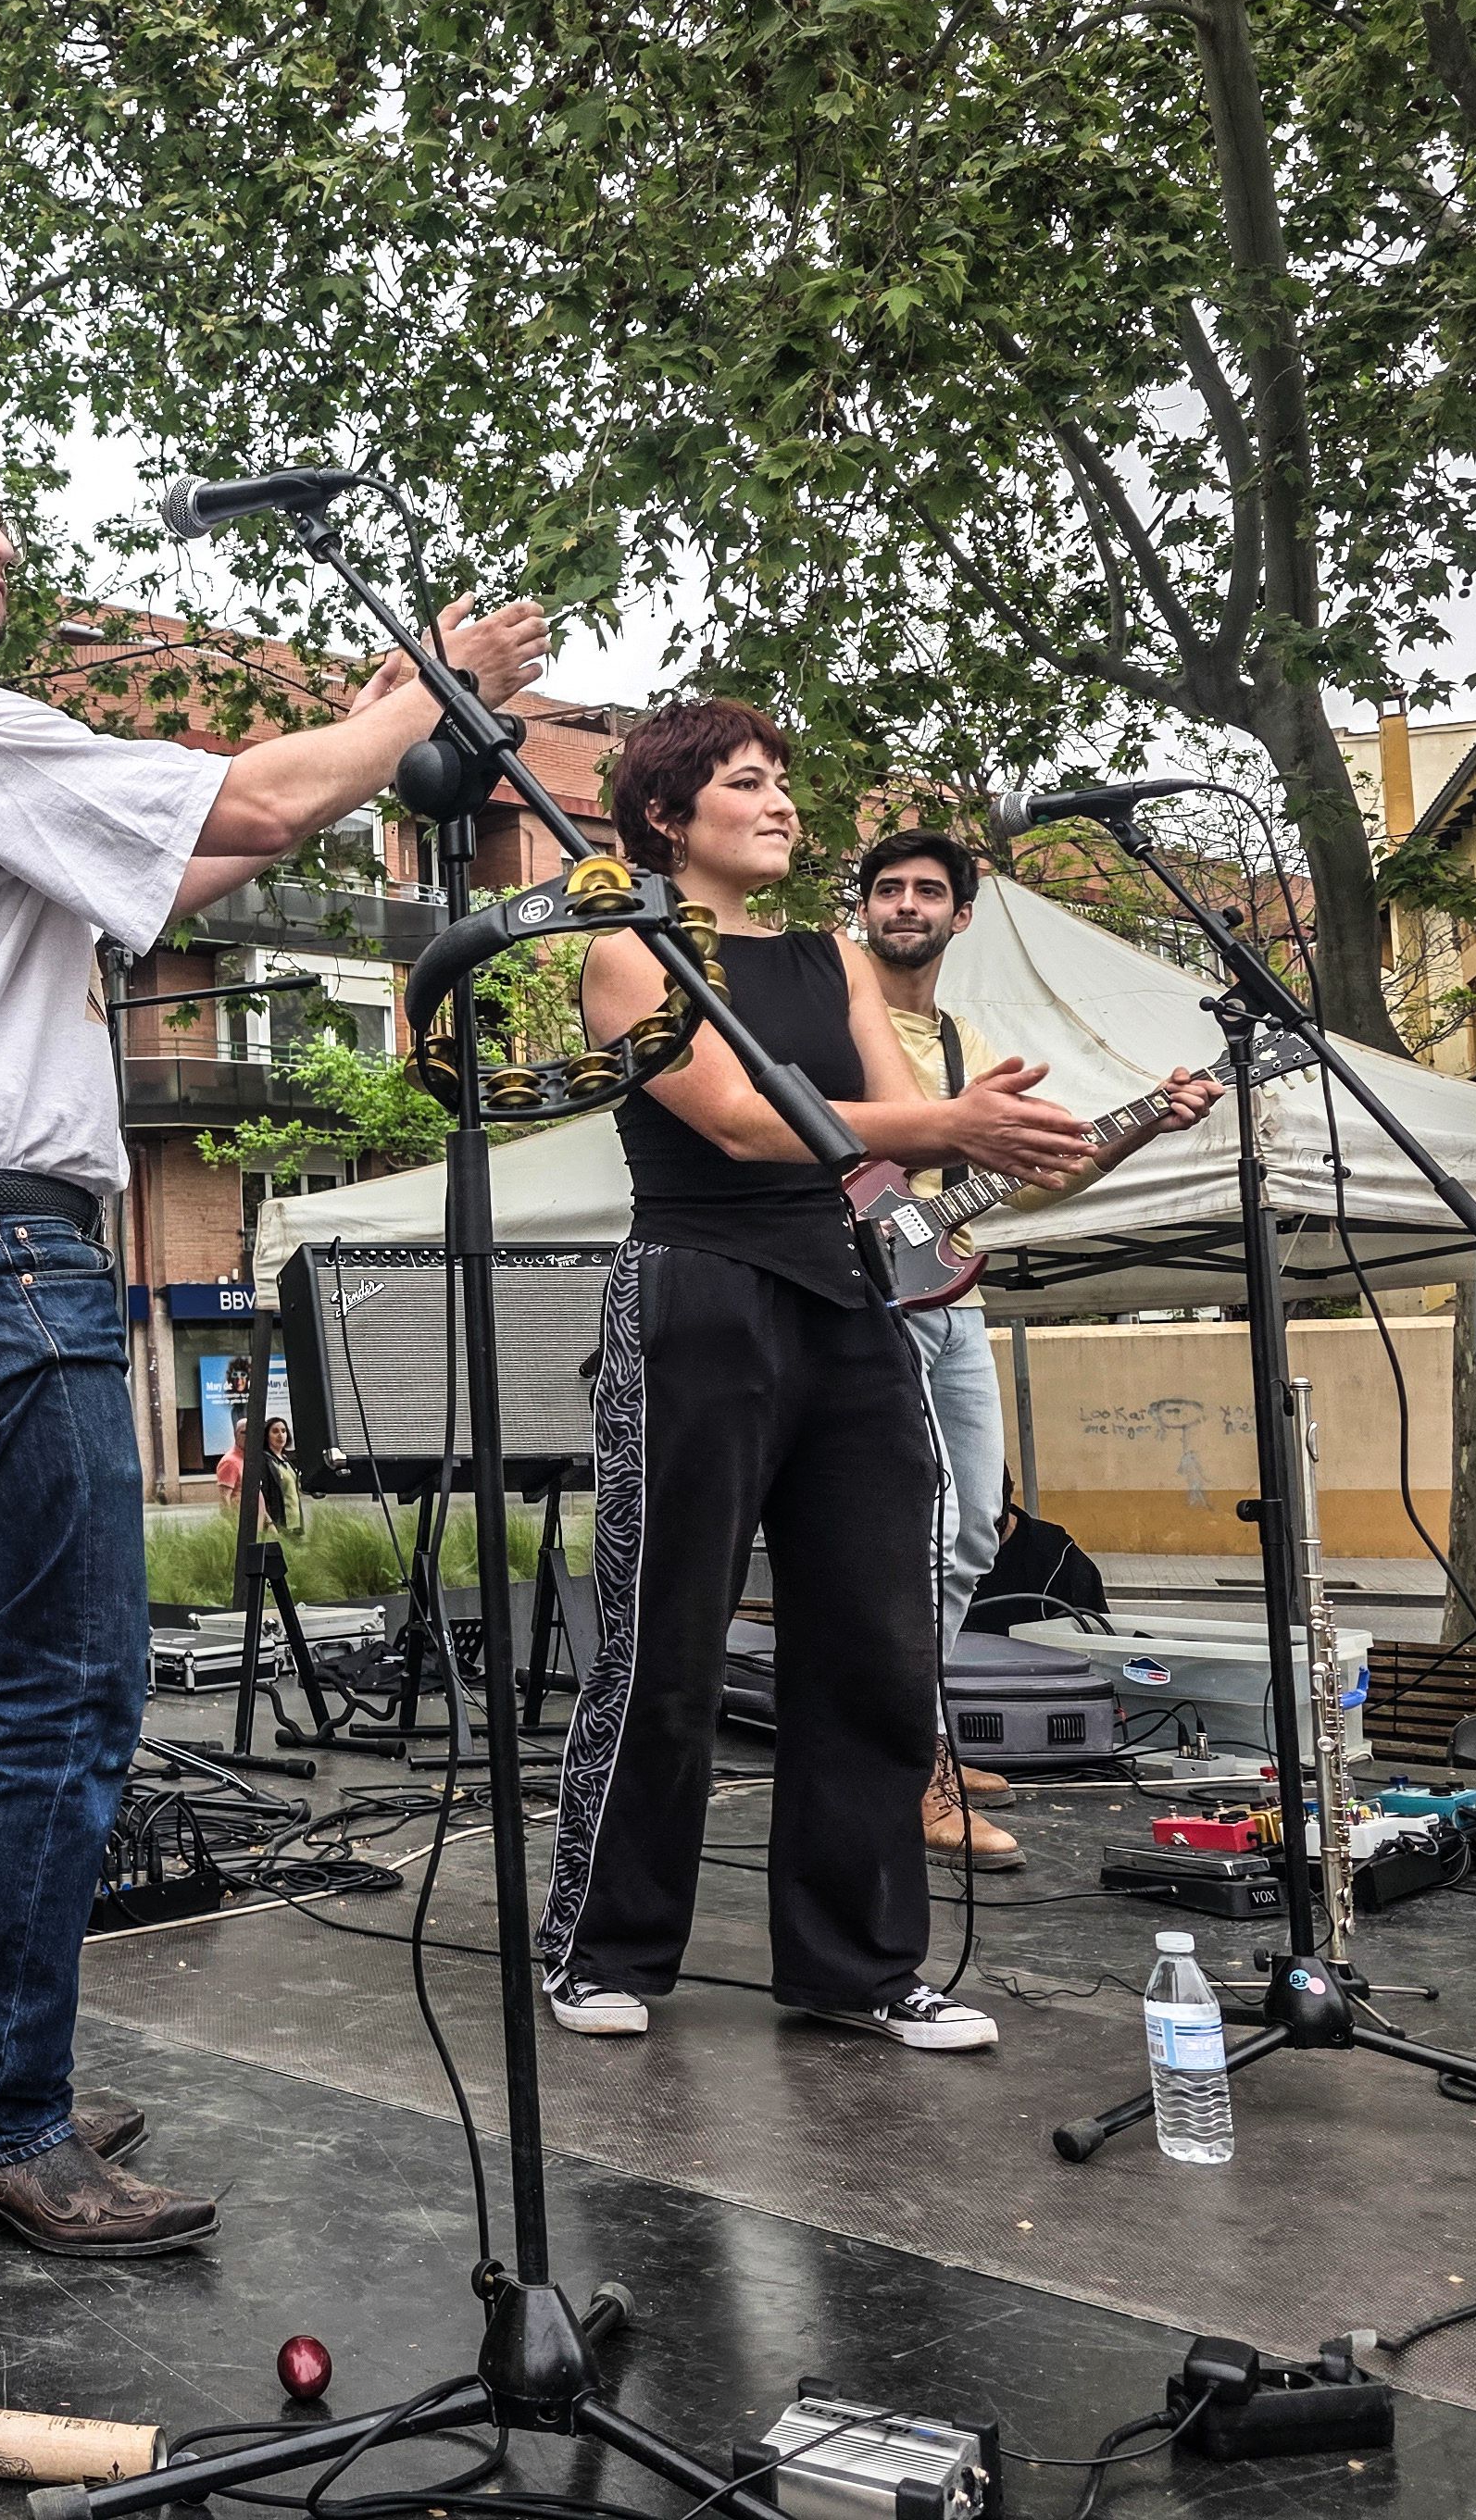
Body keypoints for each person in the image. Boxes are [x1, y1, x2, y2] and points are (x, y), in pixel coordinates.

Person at [0, 424, 546, 2254]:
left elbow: (177, 869)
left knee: (10, 1692)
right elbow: (255, 810)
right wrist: (415, 699)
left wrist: (358, 722)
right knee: (68, 1693)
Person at [536, 702, 1096, 2053]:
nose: (780, 802)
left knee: (875, 1643)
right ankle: (599, 1948)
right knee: (665, 1639)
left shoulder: (834, 954)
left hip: (849, 1301)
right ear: (669, 818)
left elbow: (882, 1136)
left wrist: (1004, 1141)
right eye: (746, 782)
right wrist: (951, 1120)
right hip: (697, 1299)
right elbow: (738, 1121)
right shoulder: (628, 953)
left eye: (783, 780)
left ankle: (856, 1967)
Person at [855, 830, 1217, 1871]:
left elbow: (1045, 1175)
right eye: (889, 890)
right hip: (860, 1296)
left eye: (929, 891)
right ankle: (911, 1765)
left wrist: (1151, 1118)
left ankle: (918, 1742)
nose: (908, 905)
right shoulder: (838, 1019)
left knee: (974, 1528)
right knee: (917, 1531)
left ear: (960, 915)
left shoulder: (966, 1042)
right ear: (865, 909)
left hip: (949, 1294)